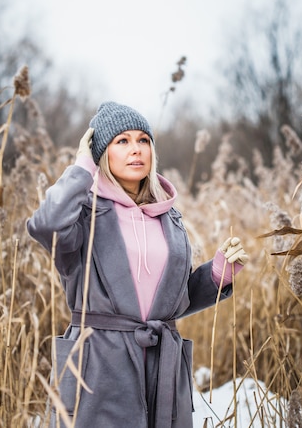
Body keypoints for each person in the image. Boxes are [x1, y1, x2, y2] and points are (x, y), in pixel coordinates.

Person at [27, 101, 248, 428]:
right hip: (98, 369)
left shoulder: (169, 217)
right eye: (122, 141)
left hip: (162, 371)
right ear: (101, 153)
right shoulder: (83, 215)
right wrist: (81, 168)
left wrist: (217, 274)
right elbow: (47, 225)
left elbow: (173, 301)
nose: (136, 150)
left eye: (143, 140)